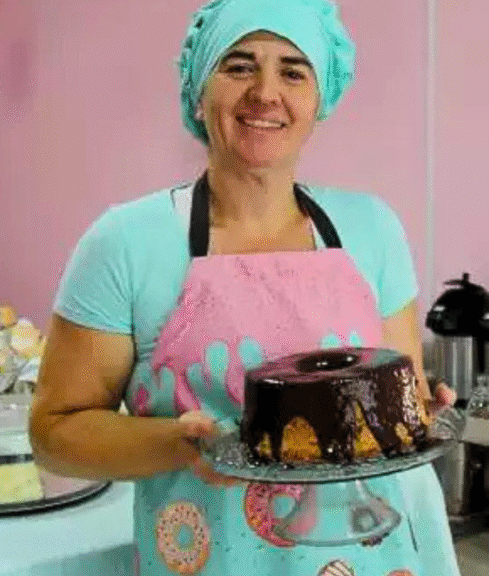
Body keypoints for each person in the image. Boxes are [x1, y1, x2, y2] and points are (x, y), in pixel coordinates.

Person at [28, 0, 460, 574]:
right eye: (238, 67)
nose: (265, 93)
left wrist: (419, 411)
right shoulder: (125, 243)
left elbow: (398, 400)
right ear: (198, 89)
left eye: (293, 71)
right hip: (214, 557)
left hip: (377, 555)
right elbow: (55, 433)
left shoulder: (372, 229)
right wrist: (177, 445)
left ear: (320, 98)